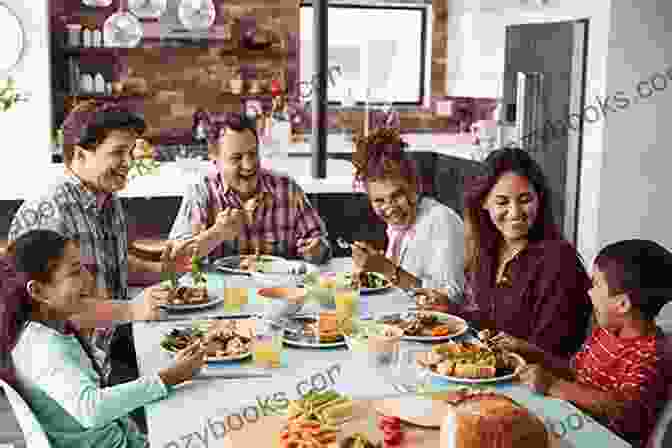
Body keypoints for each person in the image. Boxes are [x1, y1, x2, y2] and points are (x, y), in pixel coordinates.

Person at [7, 101, 194, 429]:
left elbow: (115, 265)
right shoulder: (51, 210)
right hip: (75, 382)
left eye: (131, 151)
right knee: (188, 410)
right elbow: (52, 311)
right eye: (118, 152)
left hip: (111, 348)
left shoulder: (107, 198)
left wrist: (163, 270)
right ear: (80, 155)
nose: (129, 162)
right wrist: (132, 310)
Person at [0, 230, 207, 448]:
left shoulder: (49, 330)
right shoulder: (43, 348)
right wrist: (168, 377)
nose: (88, 279)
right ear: (38, 291)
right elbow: (92, 410)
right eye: (75, 272)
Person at [416, 147, 592, 358]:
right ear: (484, 202)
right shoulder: (489, 249)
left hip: (533, 383)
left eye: (525, 200)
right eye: (502, 202)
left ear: (540, 199)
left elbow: (555, 352)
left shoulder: (560, 262)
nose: (515, 213)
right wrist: (452, 310)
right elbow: (496, 323)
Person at [494, 239, 672, 447]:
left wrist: (554, 385)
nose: (589, 291)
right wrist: (529, 351)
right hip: (571, 423)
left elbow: (624, 409)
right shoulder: (605, 333)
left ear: (622, 304)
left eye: (595, 284)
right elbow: (575, 373)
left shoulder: (652, 355)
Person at [169, 112, 332, 264]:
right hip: (220, 293)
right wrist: (217, 234)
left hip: (277, 292)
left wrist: (317, 250)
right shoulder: (201, 193)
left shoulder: (287, 189)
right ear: (214, 158)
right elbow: (175, 259)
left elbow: (321, 246)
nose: (248, 165)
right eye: (236, 158)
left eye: (253, 154)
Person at [348, 128, 465, 290]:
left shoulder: (442, 221)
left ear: (415, 187)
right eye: (379, 200)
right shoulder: (400, 223)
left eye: (397, 196)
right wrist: (374, 266)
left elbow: (450, 297)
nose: (390, 208)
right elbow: (402, 282)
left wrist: (386, 268)